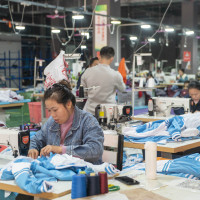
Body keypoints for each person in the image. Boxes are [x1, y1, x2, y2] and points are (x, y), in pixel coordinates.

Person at [28, 79, 104, 164]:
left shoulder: (88, 121)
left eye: (55, 110)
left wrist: (61, 149)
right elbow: (36, 139)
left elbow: (95, 150)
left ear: (68, 104)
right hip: (59, 172)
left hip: (84, 174)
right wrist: (33, 148)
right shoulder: (52, 122)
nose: (52, 115)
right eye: (49, 110)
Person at [81, 46, 126, 115]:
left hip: (90, 111)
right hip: (108, 113)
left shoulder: (87, 71)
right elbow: (123, 89)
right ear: (112, 59)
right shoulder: (115, 75)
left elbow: (83, 92)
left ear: (99, 56)